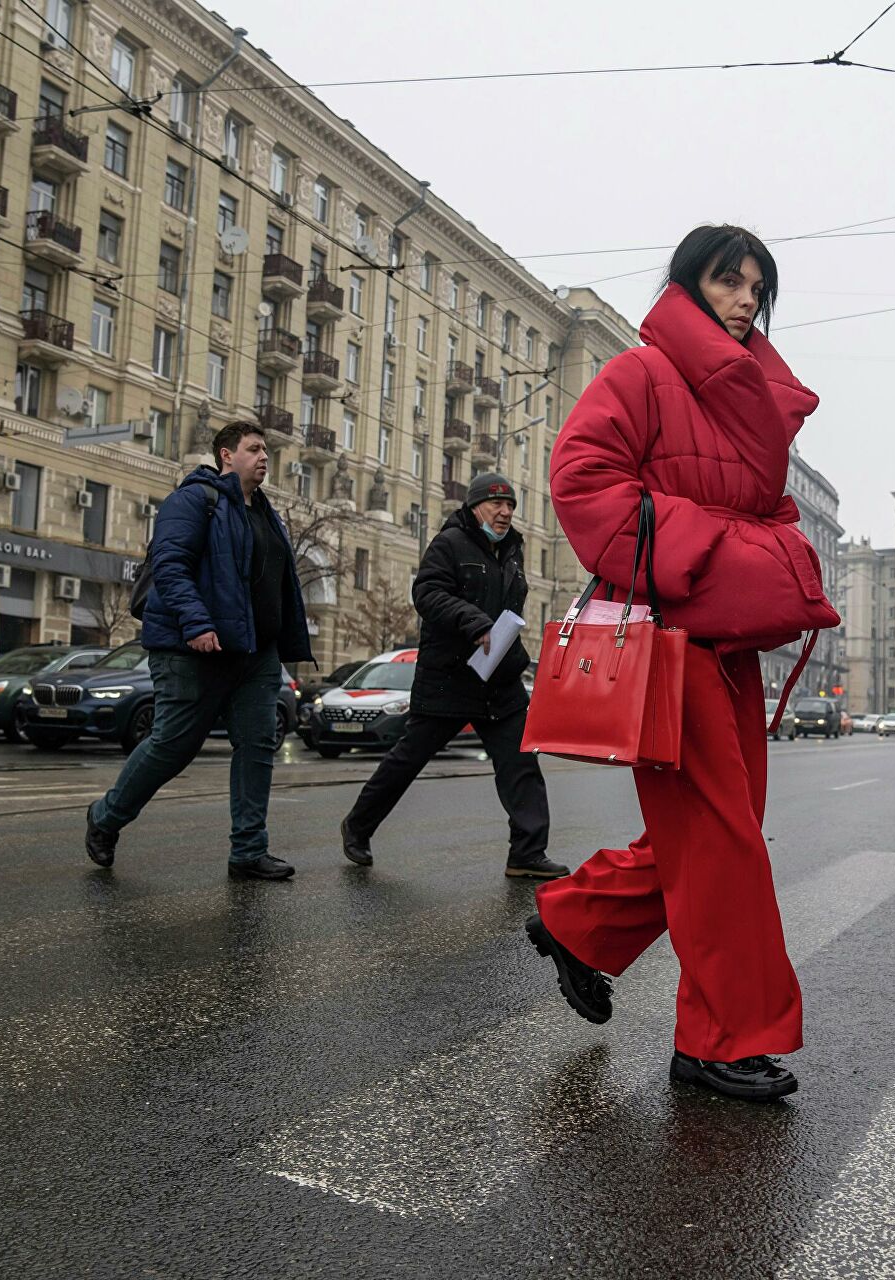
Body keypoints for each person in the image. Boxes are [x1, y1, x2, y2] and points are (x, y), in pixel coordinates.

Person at [523, 225, 840, 1103]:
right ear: (689, 285)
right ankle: (717, 1040)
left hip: (728, 643)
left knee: (716, 833)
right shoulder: (641, 372)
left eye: (756, 287)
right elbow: (581, 479)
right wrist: (712, 552)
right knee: (722, 841)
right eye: (727, 280)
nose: (744, 299)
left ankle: (579, 923)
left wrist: (767, 558)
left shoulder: (753, 401)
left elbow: (770, 511)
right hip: (667, 636)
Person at [85, 421, 312, 881]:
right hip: (195, 649)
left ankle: (249, 851)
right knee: (173, 745)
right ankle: (106, 817)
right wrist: (197, 622)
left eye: (266, 449)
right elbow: (170, 566)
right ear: (227, 455)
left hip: (256, 654)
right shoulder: (193, 501)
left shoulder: (267, 513)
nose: (265, 456)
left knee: (257, 746)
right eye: (254, 448)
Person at [337, 473, 565, 880]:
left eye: (511, 505)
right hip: (450, 676)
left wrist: (513, 650)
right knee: (408, 759)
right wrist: (474, 622)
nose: (505, 512)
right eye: (497, 504)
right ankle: (357, 826)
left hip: (499, 679)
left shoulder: (513, 549)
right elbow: (427, 593)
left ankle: (527, 853)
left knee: (521, 764)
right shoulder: (449, 544)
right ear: (474, 506)